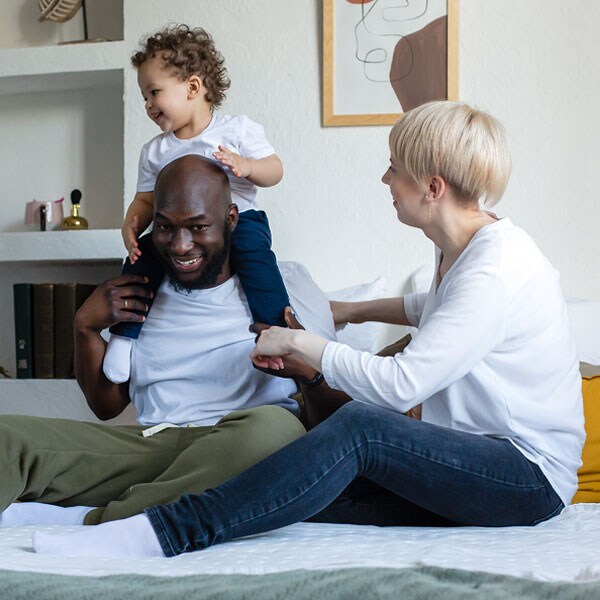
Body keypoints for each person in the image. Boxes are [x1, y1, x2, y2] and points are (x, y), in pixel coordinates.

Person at [33, 101, 585, 560]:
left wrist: (303, 343)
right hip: (468, 459)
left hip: (525, 475)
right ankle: (141, 513)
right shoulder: (460, 252)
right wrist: (348, 311)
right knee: (296, 485)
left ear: (433, 187)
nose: (385, 178)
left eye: (395, 167)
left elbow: (403, 385)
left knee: (363, 431)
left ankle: (162, 533)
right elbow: (430, 306)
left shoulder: (494, 271)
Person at [0, 154, 335, 530]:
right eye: (165, 227)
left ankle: (102, 523)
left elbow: (330, 416)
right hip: (149, 446)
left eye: (197, 227)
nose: (179, 245)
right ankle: (148, 507)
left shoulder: (280, 288)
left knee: (279, 433)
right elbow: (107, 406)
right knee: (7, 438)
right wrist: (85, 327)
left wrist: (309, 373)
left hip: (240, 448)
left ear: (231, 219)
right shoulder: (139, 293)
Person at [103, 23, 289, 385]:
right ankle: (124, 336)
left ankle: (278, 335)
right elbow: (145, 198)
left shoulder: (236, 130)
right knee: (139, 263)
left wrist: (247, 166)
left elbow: (275, 170)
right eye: (144, 96)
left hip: (240, 220)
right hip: (176, 227)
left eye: (154, 92)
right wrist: (131, 224)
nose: (148, 104)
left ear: (192, 87)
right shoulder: (156, 150)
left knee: (259, 265)